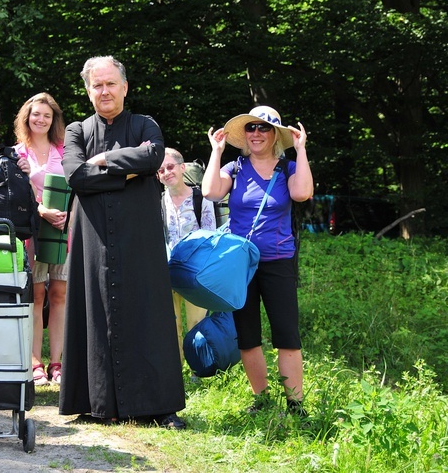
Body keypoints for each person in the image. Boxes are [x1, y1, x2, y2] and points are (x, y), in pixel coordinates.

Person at [60, 56, 186, 429]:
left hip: (140, 237)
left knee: (149, 313)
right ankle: (96, 402)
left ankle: (159, 406)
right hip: (93, 237)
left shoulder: (144, 124)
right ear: (88, 91)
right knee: (94, 313)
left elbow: (153, 155)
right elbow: (75, 175)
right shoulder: (76, 131)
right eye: (97, 85)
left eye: (110, 84)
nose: (104, 91)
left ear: (125, 87)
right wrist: (126, 172)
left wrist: (104, 160)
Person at [202, 105, 313, 416]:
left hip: (279, 261)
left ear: (274, 135)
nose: (256, 134)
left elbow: (303, 193)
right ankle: (262, 400)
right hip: (241, 265)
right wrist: (216, 151)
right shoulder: (234, 168)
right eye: (250, 128)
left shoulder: (288, 168)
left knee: (287, 334)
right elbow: (210, 191)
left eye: (263, 129)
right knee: (248, 334)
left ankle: (295, 405)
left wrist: (301, 150)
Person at [13, 92, 68, 386]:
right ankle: (35, 362)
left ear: (53, 120)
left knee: (59, 294)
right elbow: (16, 196)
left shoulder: (65, 150)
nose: (41, 119)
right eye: (36, 114)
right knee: (35, 296)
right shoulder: (18, 152)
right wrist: (41, 210)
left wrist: (66, 215)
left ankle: (56, 362)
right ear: (27, 117)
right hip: (32, 233)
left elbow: (76, 188)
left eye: (47, 115)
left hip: (62, 232)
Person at [158, 147, 216, 361]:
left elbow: (210, 238)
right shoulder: (159, 203)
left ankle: (197, 368)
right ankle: (175, 367)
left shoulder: (202, 198)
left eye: (170, 167)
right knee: (171, 322)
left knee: (196, 324)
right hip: (168, 272)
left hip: (195, 273)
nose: (166, 172)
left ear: (182, 168)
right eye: (161, 170)